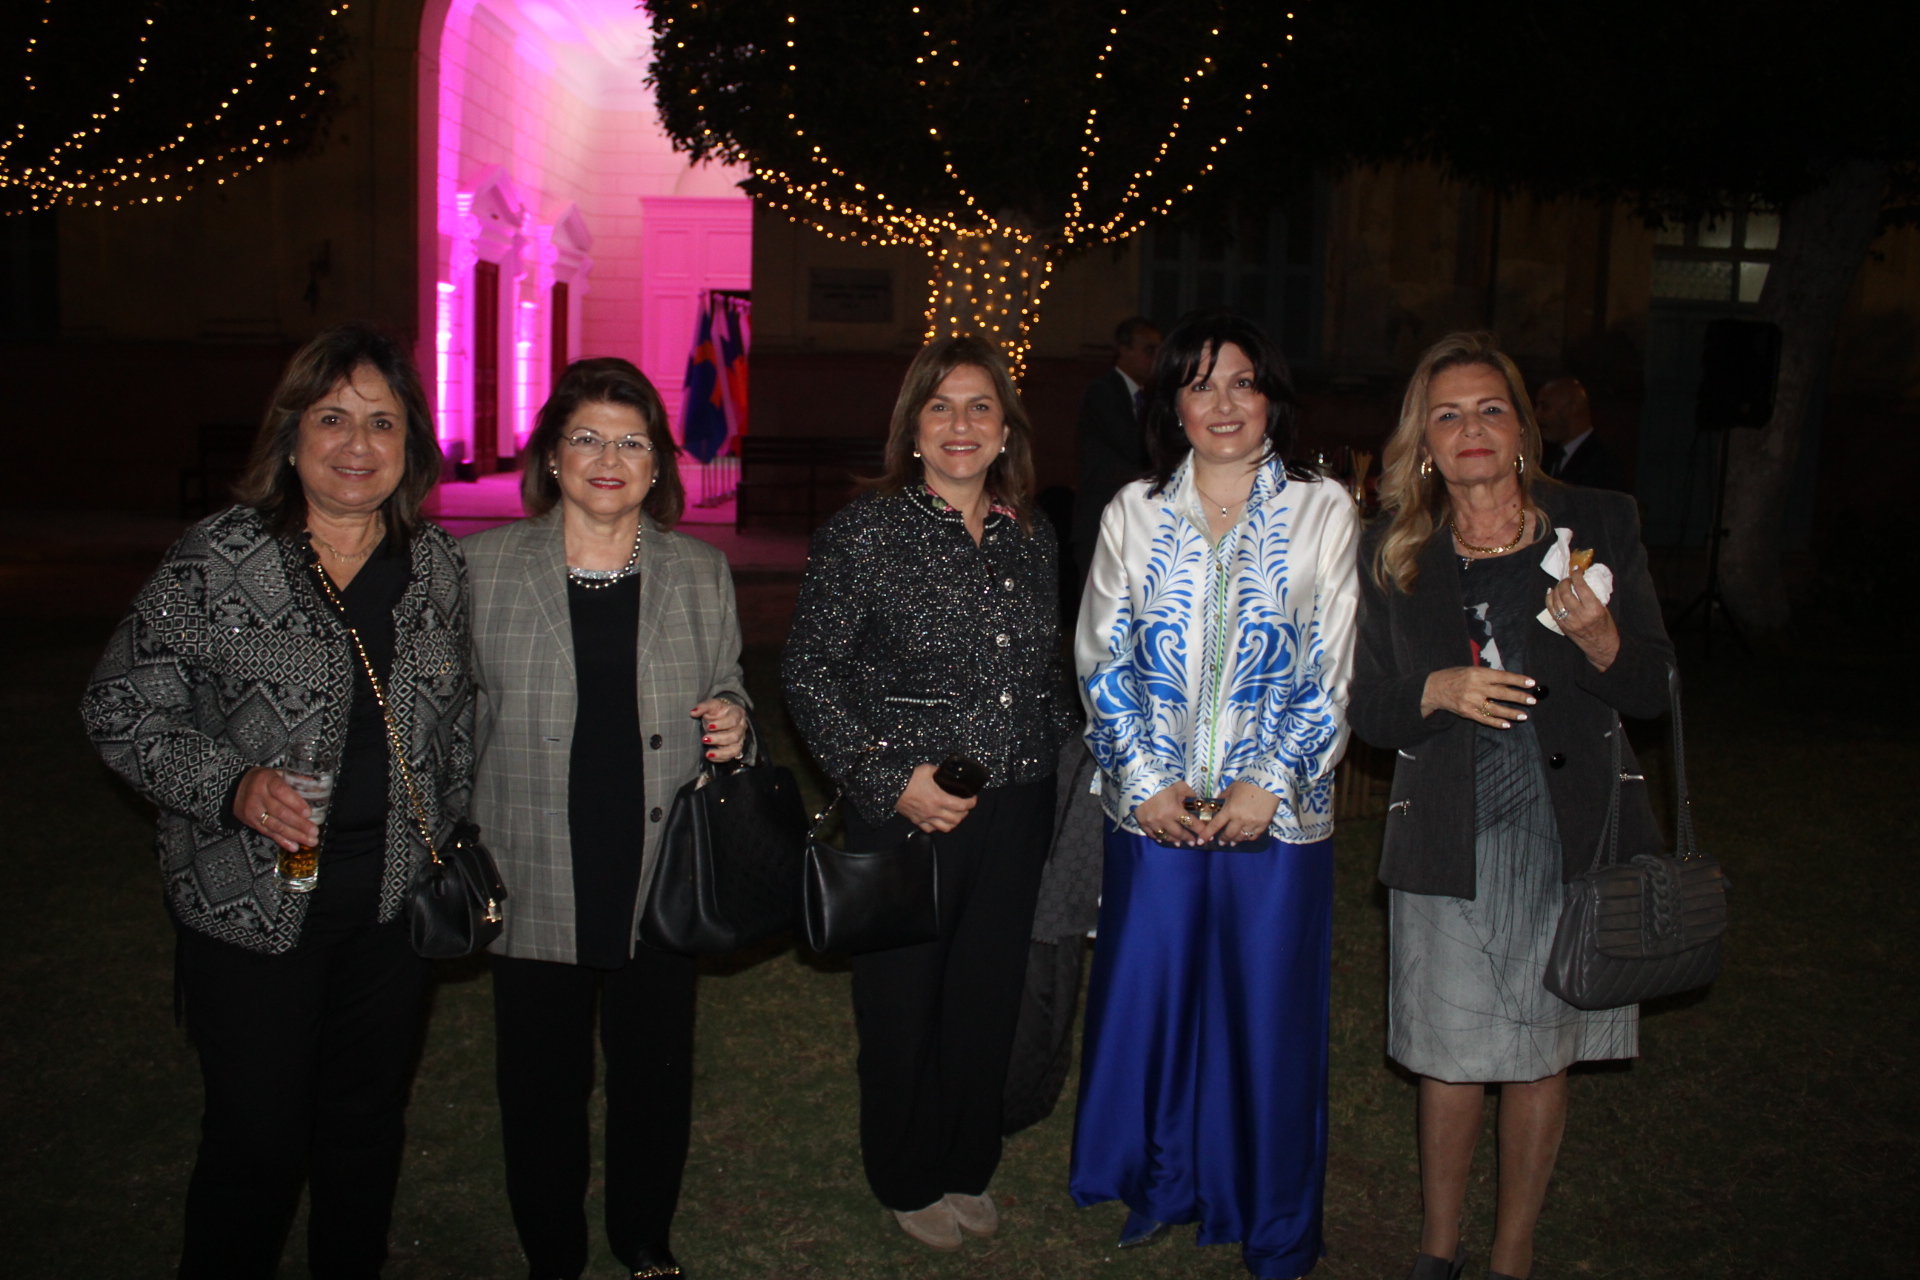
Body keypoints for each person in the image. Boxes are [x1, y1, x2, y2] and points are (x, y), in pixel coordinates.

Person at [81, 324, 473, 1279]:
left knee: (365, 1127)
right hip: (250, 908)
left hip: (389, 910)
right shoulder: (220, 558)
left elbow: (460, 722)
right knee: (256, 1139)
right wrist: (231, 785)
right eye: (332, 418)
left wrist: (446, 828)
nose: (357, 444)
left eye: (382, 422)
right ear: (291, 435)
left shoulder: (436, 567)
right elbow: (119, 706)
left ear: (411, 445)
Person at [1351, 333, 1676, 1280]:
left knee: (1543, 1049)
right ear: (1424, 443)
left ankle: (1512, 1254)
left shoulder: (1598, 522)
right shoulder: (1393, 550)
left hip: (1566, 814)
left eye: (1490, 409)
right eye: (1447, 415)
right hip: (1451, 818)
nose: (1471, 429)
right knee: (1450, 1053)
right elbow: (1365, 708)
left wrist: (1604, 639)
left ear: (1523, 428)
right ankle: (1437, 1248)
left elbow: (1655, 689)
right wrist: (1436, 689)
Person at [1070, 310, 1359, 1278]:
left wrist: (1267, 783)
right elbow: (1100, 655)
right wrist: (1145, 781)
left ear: (1271, 396)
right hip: (1152, 812)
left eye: (1243, 381)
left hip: (1278, 817)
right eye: (1200, 384)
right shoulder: (1134, 511)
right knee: (1155, 1001)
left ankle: (1270, 1213)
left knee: (1266, 1017)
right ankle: (1164, 1182)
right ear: (1172, 405)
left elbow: (1331, 665)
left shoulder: (1322, 508)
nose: (1224, 403)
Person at [782, 334, 1078, 1253]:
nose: (961, 424)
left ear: (1005, 431)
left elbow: (1048, 671)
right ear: (912, 428)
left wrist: (1066, 750)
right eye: (941, 406)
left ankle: (964, 1159)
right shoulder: (865, 534)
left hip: (1017, 804)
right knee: (903, 1000)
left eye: (980, 406)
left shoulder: (1033, 536)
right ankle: (905, 1172)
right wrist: (888, 780)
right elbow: (808, 674)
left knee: (987, 995)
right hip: (909, 812)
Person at [463, 359, 750, 1280]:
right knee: (540, 1084)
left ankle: (643, 1237)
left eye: (631, 442)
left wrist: (734, 720)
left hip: (656, 865)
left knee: (653, 1075)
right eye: (587, 437)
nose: (608, 458)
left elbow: (729, 683)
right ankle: (551, 1249)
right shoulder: (479, 568)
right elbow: (446, 717)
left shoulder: (699, 572)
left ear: (658, 463)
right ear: (553, 454)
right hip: (531, 861)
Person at [1071, 315, 1163, 581]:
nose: (1156, 358)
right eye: (1149, 350)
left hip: (1139, 519)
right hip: (1103, 515)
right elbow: (1135, 447)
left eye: (1159, 351)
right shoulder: (1102, 392)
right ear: (1124, 349)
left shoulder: (1152, 397)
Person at [1534, 377, 1631, 493]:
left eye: (1545, 407)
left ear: (1571, 408)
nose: (1537, 415)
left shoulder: (1605, 465)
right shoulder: (1546, 458)